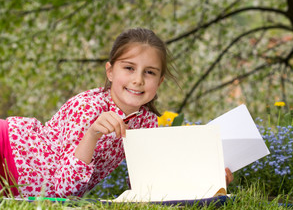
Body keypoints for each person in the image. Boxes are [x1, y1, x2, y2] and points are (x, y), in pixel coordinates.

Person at [0, 27, 233, 198]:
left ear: (160, 81)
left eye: (149, 72)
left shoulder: (147, 124)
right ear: (110, 72)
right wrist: (92, 134)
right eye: (129, 68)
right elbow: (63, 189)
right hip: (8, 153)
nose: (138, 80)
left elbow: (150, 188)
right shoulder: (88, 108)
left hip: (22, 185)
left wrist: (210, 181)